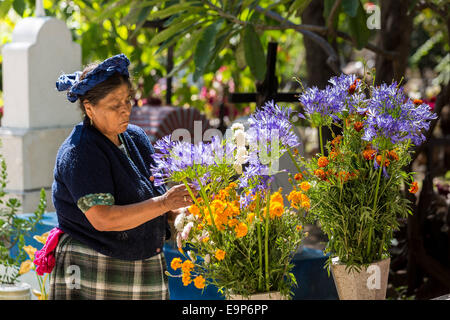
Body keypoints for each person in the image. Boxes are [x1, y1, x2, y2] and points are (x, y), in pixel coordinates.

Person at [49, 53, 195, 300]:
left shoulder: (136, 138)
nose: (125, 109)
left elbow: (156, 198)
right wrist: (165, 204)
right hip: (92, 269)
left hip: (143, 262)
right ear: (89, 108)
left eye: (127, 100)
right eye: (114, 105)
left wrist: (181, 216)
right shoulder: (80, 151)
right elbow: (103, 219)